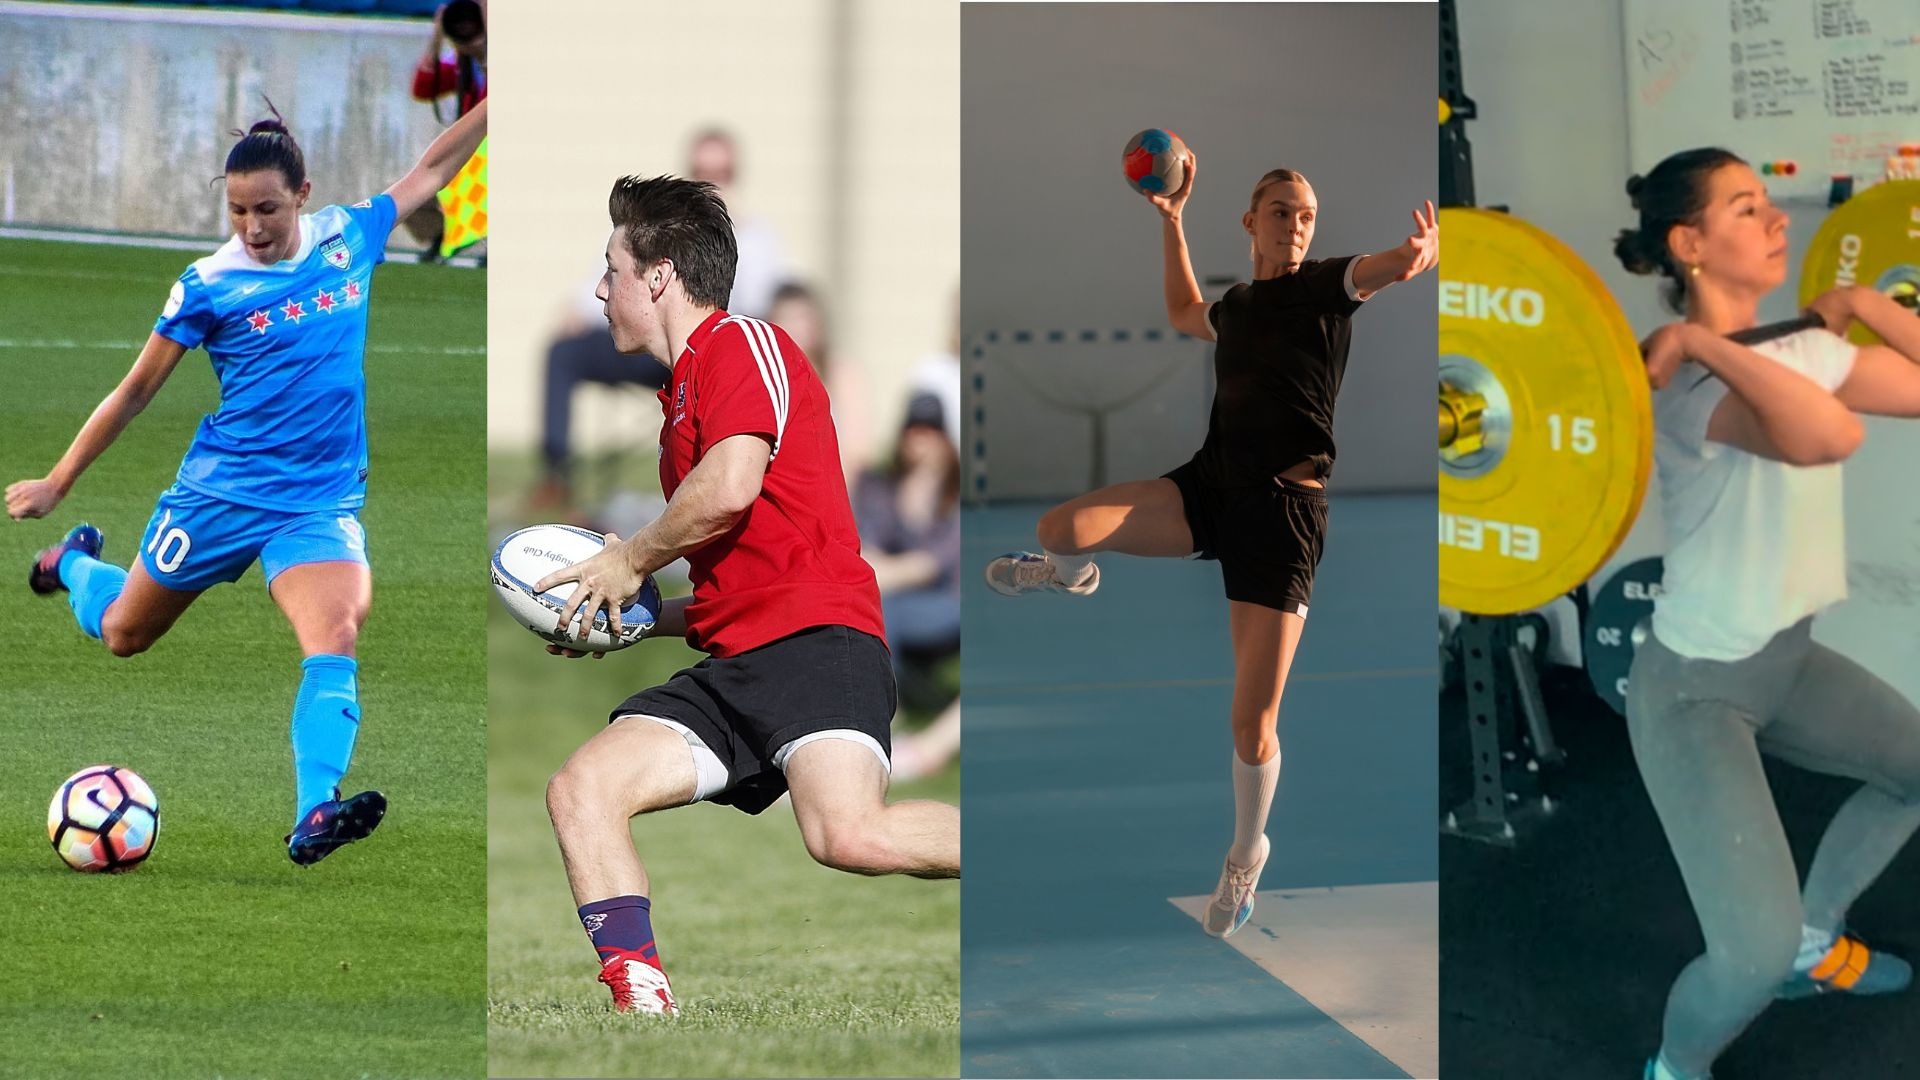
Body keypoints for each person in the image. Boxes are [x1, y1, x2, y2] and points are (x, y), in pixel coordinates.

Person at [6, 97, 489, 866]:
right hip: (218, 496)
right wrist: (59, 481)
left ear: (302, 195)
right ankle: (71, 563)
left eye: (266, 208)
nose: (252, 227)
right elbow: (134, 391)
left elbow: (431, 168)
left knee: (334, 632)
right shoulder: (207, 285)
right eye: (236, 212)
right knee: (126, 634)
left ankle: (313, 814)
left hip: (316, 502)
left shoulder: (348, 236)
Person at [533, 175, 960, 1016]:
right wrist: (634, 615)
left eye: (611, 266)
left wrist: (634, 560)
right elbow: (734, 582)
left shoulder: (741, 345)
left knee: (848, 835)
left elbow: (730, 487)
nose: (598, 288)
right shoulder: (681, 398)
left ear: (658, 276)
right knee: (581, 789)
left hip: (820, 642)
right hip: (736, 665)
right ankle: (641, 1002)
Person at [983, 150, 1438, 937]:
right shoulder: (1239, 306)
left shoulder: (1323, 286)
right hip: (1209, 489)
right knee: (1060, 529)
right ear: (1251, 222)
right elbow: (1183, 309)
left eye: (1306, 214)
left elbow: (1384, 268)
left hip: (1283, 521)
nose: (1295, 224)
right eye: (1280, 211)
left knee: (1252, 725)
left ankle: (1245, 853)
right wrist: (1171, 222)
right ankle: (1072, 576)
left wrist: (1414, 257)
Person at [1616, 149, 1920, 1080]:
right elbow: (1830, 435)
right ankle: (1675, 1070)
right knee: (1741, 953)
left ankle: (1812, 942)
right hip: (1694, 692)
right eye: (1748, 208)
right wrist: (1707, 344)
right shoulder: (1684, 389)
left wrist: (1867, 305)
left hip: (1786, 662)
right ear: (1691, 243)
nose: (1778, 219)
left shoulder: (1804, 349)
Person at [530, 128, 786, 511]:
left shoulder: (757, 239)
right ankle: (556, 475)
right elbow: (603, 288)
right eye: (701, 170)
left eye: (721, 172)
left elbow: (767, 310)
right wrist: (578, 310)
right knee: (563, 351)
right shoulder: (652, 231)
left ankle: (699, 479)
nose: (710, 180)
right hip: (651, 343)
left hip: (716, 355)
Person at [854, 391, 963, 777]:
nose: (920, 439)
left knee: (884, 611)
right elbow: (861, 548)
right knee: (872, 607)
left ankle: (881, 716)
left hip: (953, 602)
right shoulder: (879, 486)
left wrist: (875, 573)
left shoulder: (957, 494)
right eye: (914, 430)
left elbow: (929, 565)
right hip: (893, 595)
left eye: (930, 431)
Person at [404, 0, 488, 258]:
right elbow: (423, 88)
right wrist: (438, 37)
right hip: (472, 157)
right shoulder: (463, 65)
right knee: (412, 193)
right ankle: (444, 237)